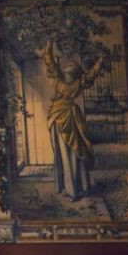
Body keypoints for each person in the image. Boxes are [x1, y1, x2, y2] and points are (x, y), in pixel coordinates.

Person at [41, 40, 106, 200]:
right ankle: (68, 187)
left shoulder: (79, 82)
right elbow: (50, 63)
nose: (67, 64)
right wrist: (49, 47)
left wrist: (100, 62)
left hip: (70, 117)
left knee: (75, 152)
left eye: (71, 64)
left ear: (75, 71)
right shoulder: (58, 79)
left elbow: (91, 74)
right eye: (67, 64)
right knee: (63, 153)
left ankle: (76, 189)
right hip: (56, 117)